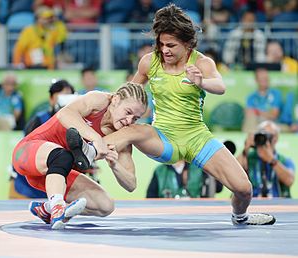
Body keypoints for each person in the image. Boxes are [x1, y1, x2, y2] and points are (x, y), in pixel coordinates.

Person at [79, 4, 276, 225]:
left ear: (187, 42)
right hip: (163, 137)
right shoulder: (149, 61)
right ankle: (84, 153)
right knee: (133, 129)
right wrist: (99, 107)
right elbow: (128, 93)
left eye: (171, 45)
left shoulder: (202, 62)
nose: (165, 50)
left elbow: (220, 86)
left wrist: (200, 81)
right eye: (161, 44)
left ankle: (240, 217)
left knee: (244, 189)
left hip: (196, 137)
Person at [12, 82, 148, 230]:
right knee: (63, 156)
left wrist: (115, 165)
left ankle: (47, 209)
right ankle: (57, 206)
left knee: (105, 205)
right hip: (27, 153)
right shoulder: (99, 100)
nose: (129, 121)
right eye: (128, 112)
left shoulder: (121, 135)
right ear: (115, 100)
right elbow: (65, 113)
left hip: (55, 177)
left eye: (135, 118)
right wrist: (96, 139)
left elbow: (131, 184)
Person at [9, 79, 75, 199]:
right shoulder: (39, 119)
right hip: (36, 173)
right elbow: (24, 148)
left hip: (59, 173)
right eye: (61, 95)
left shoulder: (76, 122)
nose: (65, 99)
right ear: (51, 99)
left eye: (69, 96)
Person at [237, 121, 295, 197]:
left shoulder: (284, 160)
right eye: (263, 134)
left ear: (276, 138)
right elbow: (233, 172)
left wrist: (271, 160)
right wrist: (246, 148)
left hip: (277, 202)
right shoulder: (249, 157)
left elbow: (289, 180)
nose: (266, 139)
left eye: (270, 135)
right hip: (251, 202)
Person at [242, 67, 282, 133]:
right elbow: (248, 113)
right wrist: (260, 113)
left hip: (272, 123)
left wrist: (257, 111)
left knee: (259, 123)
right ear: (256, 80)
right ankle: (250, 140)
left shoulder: (276, 94)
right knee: (250, 118)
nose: (265, 81)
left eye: (266, 79)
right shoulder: (251, 97)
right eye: (262, 79)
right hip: (256, 123)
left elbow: (274, 115)